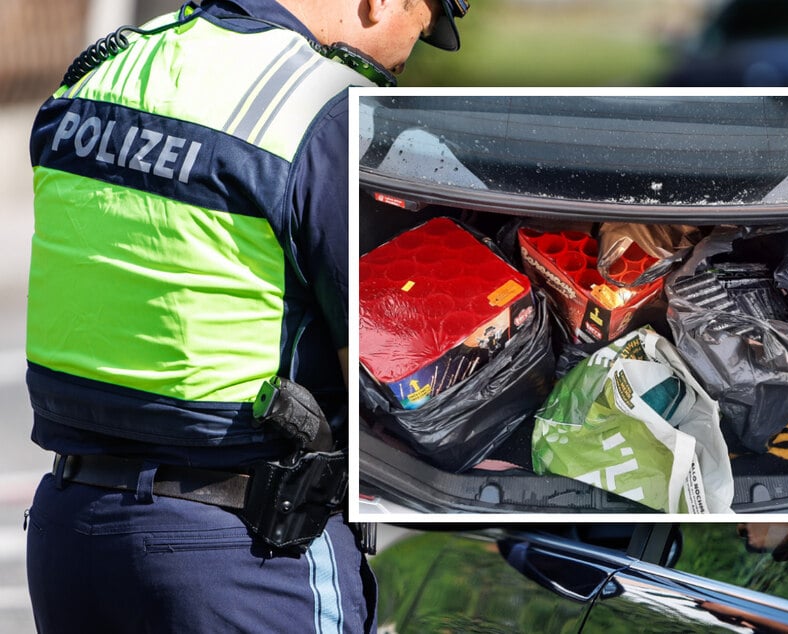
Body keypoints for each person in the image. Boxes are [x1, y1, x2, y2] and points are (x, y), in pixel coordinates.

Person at [24, 0, 467, 632]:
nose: (397, 64)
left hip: (72, 534)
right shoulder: (324, 106)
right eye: (417, 35)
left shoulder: (109, 66)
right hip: (243, 555)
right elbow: (398, 379)